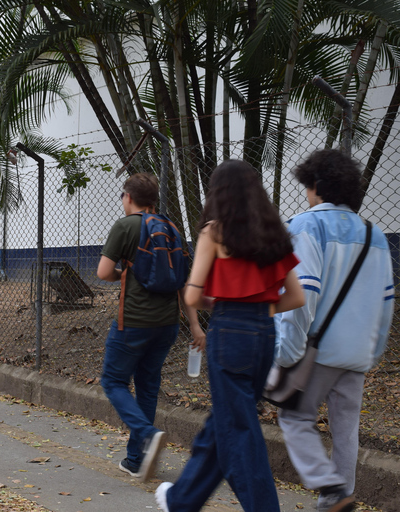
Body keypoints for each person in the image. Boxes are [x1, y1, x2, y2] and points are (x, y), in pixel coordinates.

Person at [155, 160, 305, 512]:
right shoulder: (275, 233)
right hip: (263, 336)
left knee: (237, 429)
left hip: (229, 333)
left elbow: (192, 296)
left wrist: (221, 303)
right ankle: (182, 499)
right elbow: (296, 297)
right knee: (227, 418)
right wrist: (260, 309)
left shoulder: (214, 232)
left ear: (217, 195)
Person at [274, 149, 395, 512]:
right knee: (346, 429)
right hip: (358, 351)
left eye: (307, 186)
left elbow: (304, 292)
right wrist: (374, 351)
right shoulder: (375, 235)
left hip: (317, 349)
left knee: (294, 416)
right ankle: (340, 496)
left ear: (317, 186)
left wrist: (289, 350)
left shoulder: (305, 225)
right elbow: (387, 302)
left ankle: (332, 490)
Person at [97, 172, 205, 483]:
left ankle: (147, 433)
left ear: (127, 197)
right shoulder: (172, 229)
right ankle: (135, 461)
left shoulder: (125, 226)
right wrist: (195, 325)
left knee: (113, 381)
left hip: (132, 322)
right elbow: (186, 282)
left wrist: (124, 274)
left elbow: (103, 272)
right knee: (147, 386)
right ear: (154, 200)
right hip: (168, 324)